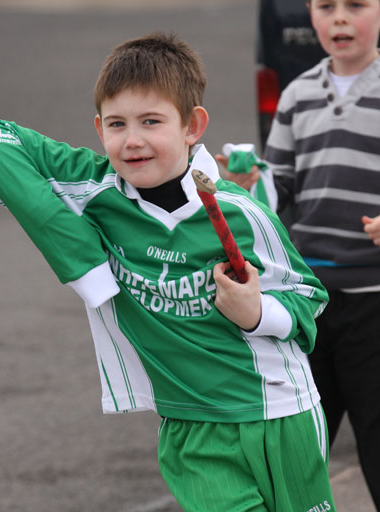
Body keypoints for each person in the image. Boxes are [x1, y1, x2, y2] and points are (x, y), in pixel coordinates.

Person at [0, 33, 336, 512]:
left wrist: (257, 312)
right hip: (187, 427)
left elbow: (309, 298)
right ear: (99, 129)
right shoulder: (95, 187)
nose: (132, 140)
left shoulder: (240, 213)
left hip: (277, 414)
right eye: (117, 123)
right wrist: (80, 257)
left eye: (151, 121)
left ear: (192, 126)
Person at [255, 0, 380, 508]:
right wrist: (248, 183)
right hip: (310, 304)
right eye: (326, 6)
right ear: (310, 15)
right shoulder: (298, 93)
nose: (340, 18)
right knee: (299, 447)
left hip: (375, 303)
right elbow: (278, 187)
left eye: (356, 4)